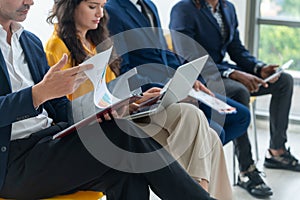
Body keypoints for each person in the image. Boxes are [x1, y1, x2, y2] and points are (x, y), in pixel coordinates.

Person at [0, 0, 218, 199]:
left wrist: (104, 109)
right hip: (12, 160)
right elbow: (41, 95)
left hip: (48, 142)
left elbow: (57, 108)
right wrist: (39, 93)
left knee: (127, 171)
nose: (30, 1)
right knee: (120, 135)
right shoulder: (51, 45)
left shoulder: (29, 42)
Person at [169, 0, 300, 198]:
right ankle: (246, 170)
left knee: (284, 81)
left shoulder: (227, 8)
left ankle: (277, 150)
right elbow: (189, 57)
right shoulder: (183, 10)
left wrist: (258, 68)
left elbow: (236, 49)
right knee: (240, 91)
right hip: (202, 79)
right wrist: (232, 73)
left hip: (225, 72)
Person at [104, 0, 250, 147]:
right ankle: (191, 161)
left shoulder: (149, 5)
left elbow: (164, 53)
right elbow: (123, 70)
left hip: (172, 82)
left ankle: (191, 161)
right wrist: (168, 90)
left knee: (241, 117)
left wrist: (185, 78)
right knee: (215, 132)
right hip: (152, 89)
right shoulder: (111, 10)